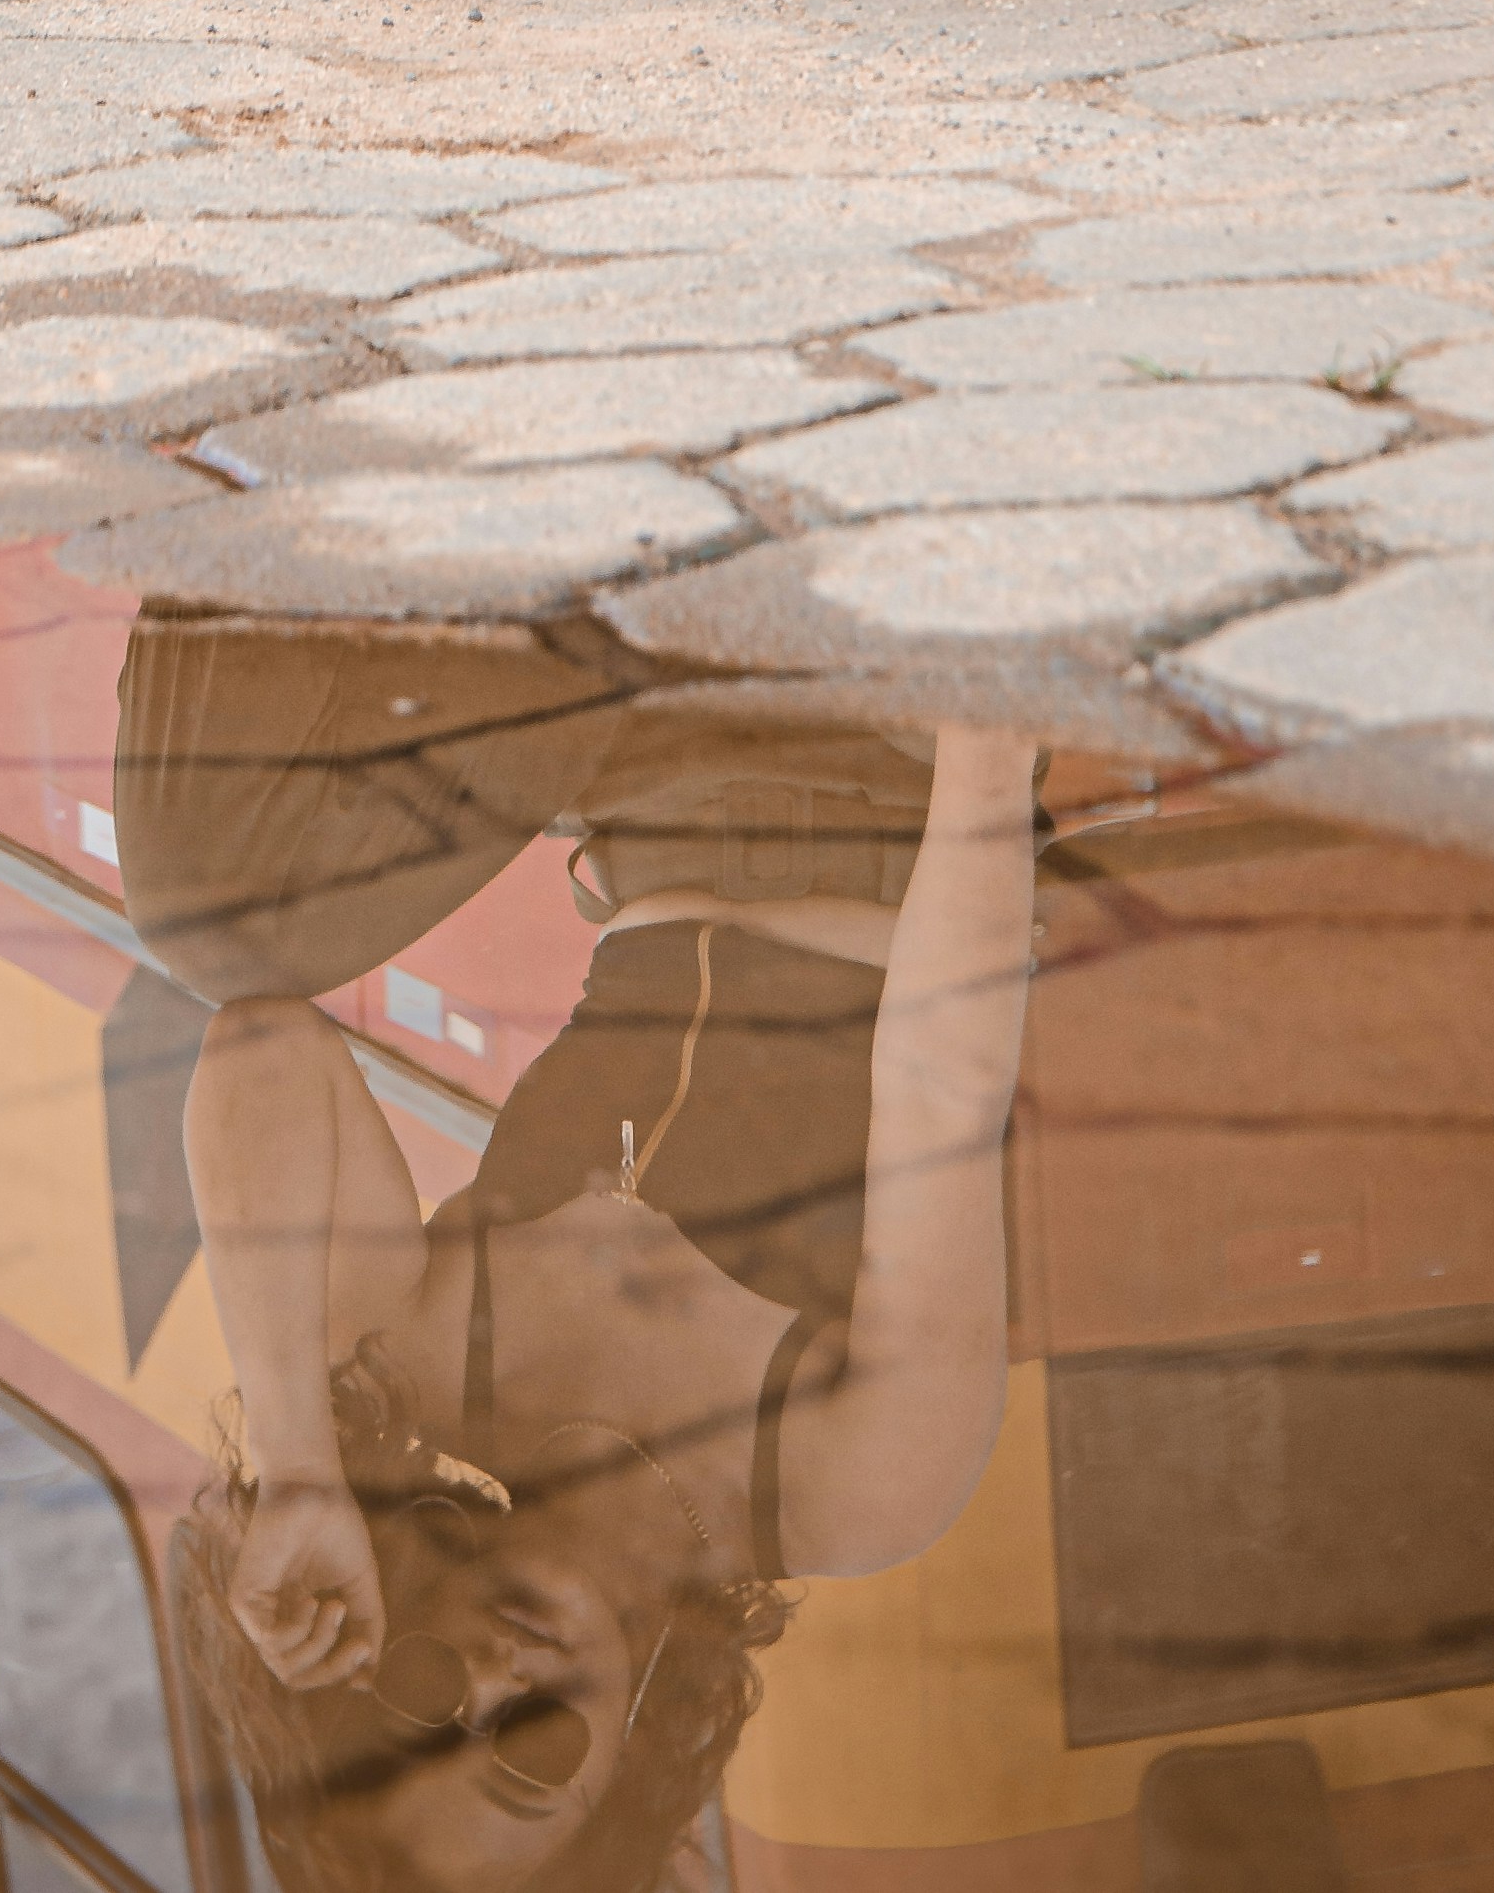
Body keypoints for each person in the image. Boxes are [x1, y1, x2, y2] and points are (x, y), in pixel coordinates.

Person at [111, 620, 1038, 1889]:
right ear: (629, 1774)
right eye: (529, 1750)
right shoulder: (856, 1489)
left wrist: (299, 1468)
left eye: (424, 1698)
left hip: (633, 754)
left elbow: (262, 1046)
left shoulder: (426, 1375)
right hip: (901, 777)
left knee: (203, 912)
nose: (494, 1676)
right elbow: (947, 1082)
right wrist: (985, 733)